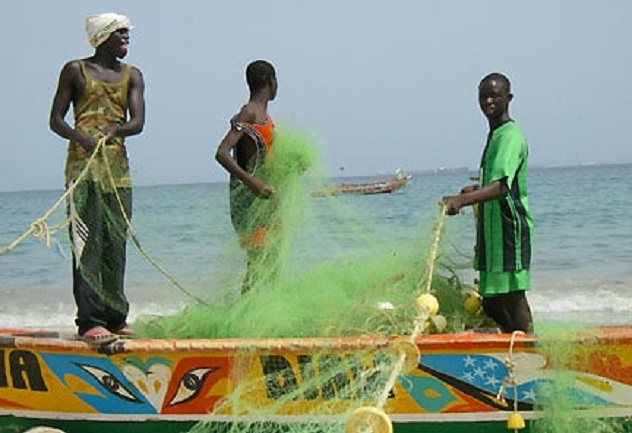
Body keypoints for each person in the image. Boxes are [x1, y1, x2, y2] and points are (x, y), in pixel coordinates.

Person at [49, 13, 145, 343]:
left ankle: (116, 318)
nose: (126, 38)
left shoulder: (133, 76)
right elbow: (56, 120)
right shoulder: (75, 70)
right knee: (86, 243)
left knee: (115, 245)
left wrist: (116, 129)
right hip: (82, 171)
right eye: (120, 33)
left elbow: (138, 121)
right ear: (102, 36)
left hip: (117, 173)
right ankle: (90, 321)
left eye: (127, 34)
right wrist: (82, 138)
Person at [442, 72, 533, 333]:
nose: (488, 101)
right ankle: (508, 347)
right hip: (491, 231)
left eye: (494, 95)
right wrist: (474, 190)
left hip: (508, 229)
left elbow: (503, 185)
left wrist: (463, 200)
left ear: (509, 98)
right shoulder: (495, 135)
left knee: (513, 296)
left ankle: (533, 351)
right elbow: (496, 181)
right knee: (492, 301)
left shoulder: (510, 136)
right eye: (483, 96)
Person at [215, 60, 279, 294]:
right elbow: (222, 153)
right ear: (271, 81)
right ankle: (246, 312)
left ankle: (264, 309)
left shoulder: (264, 115)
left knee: (271, 260)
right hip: (248, 202)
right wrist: (252, 183)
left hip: (266, 203)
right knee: (258, 261)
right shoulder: (248, 113)